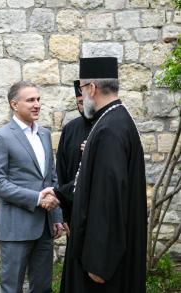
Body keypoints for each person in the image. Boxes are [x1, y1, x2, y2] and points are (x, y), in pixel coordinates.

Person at [62, 57, 147, 293]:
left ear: (91, 88)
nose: (82, 94)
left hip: (104, 266)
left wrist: (99, 262)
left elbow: (108, 197)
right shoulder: (115, 119)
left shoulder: (109, 128)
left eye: (81, 89)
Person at [0, 81, 63, 293]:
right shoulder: (0, 137)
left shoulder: (44, 134)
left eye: (38, 99)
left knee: (43, 287)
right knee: (12, 288)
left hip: (45, 227)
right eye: (30, 100)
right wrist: (38, 198)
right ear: (14, 104)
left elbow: (51, 178)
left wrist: (56, 217)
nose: (37, 104)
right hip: (15, 228)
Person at [56, 80, 92, 227]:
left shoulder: (108, 125)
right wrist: (64, 216)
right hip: (74, 208)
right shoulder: (70, 129)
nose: (83, 107)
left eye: (85, 102)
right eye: (80, 103)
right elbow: (61, 171)